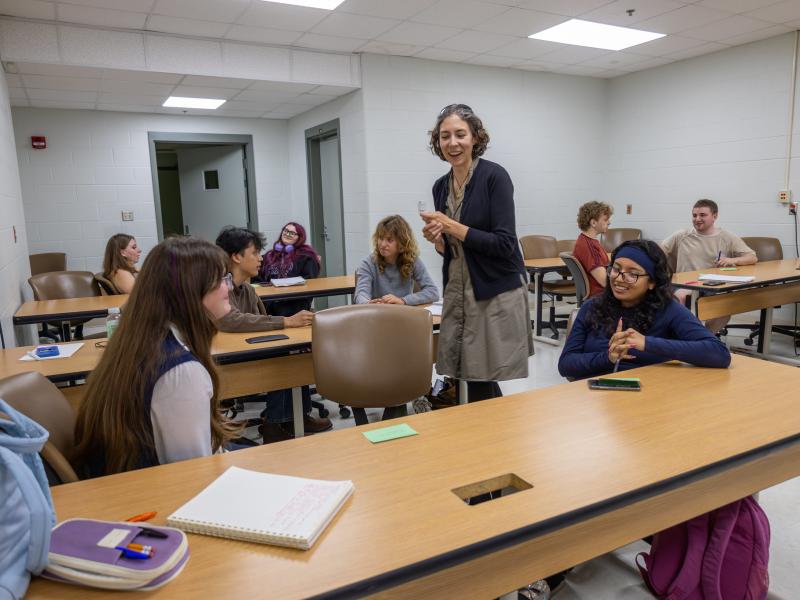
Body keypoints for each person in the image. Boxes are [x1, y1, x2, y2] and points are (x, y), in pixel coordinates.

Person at [73, 236, 240, 477]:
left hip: (124, 478)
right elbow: (194, 474)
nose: (229, 287)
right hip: (154, 490)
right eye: (222, 279)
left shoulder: (137, 340)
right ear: (191, 290)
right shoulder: (181, 372)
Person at [421, 104, 533, 402]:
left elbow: (505, 244)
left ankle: (490, 426)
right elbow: (454, 249)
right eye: (445, 136)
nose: (452, 143)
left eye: (460, 134)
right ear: (437, 142)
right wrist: (438, 240)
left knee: (481, 373)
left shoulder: (494, 177)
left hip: (493, 289)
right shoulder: (440, 187)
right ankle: (483, 425)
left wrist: (452, 226)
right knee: (465, 372)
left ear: (475, 138)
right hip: (459, 288)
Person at [215, 226, 330, 443]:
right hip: (227, 360)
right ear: (237, 257)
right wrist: (286, 321)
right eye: (255, 253)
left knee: (295, 352)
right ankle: (275, 423)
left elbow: (260, 320)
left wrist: (287, 325)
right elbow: (231, 320)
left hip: (248, 349)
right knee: (283, 360)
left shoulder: (248, 290)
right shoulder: (218, 288)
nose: (261, 258)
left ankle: (296, 417)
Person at [558, 239, 731, 380]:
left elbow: (719, 354)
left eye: (632, 274)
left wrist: (647, 343)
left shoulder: (668, 310)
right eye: (616, 269)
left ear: (652, 282)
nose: (619, 279)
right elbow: (566, 364)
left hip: (651, 396)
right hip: (595, 399)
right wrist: (608, 358)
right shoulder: (592, 307)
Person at [661, 198, 757, 333]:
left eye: (702, 215)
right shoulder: (682, 235)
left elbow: (752, 257)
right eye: (694, 215)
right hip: (685, 284)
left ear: (715, 216)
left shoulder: (727, 237)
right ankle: (688, 335)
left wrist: (731, 260)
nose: (697, 219)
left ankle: (704, 337)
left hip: (712, 286)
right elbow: (659, 252)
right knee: (682, 296)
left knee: (725, 309)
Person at [355, 215, 439, 305]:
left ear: (402, 243)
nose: (383, 244)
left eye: (389, 240)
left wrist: (403, 300)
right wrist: (368, 303)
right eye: (381, 238)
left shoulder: (412, 260)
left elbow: (433, 292)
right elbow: (361, 294)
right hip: (377, 312)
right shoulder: (368, 263)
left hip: (403, 312)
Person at [258, 222, 320, 317]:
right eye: (286, 230)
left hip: (293, 303)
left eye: (292, 233)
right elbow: (258, 278)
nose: (287, 234)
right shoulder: (269, 256)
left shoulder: (306, 257)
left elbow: (309, 283)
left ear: (300, 238)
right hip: (270, 302)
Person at [573, 201, 612, 297]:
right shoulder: (589, 246)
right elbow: (604, 281)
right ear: (593, 223)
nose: (609, 222)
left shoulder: (586, 241)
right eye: (605, 219)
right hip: (601, 295)